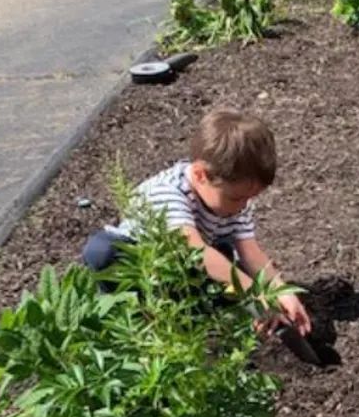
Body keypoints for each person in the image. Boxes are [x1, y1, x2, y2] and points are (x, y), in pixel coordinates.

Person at [82, 107, 311, 335]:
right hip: (145, 272)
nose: (243, 206)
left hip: (184, 274)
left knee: (230, 263)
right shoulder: (167, 193)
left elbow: (250, 252)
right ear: (201, 175)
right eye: (237, 198)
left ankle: (208, 317)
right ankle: (134, 320)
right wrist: (254, 292)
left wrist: (280, 291)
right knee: (102, 251)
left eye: (250, 198)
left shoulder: (233, 198)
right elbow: (197, 252)